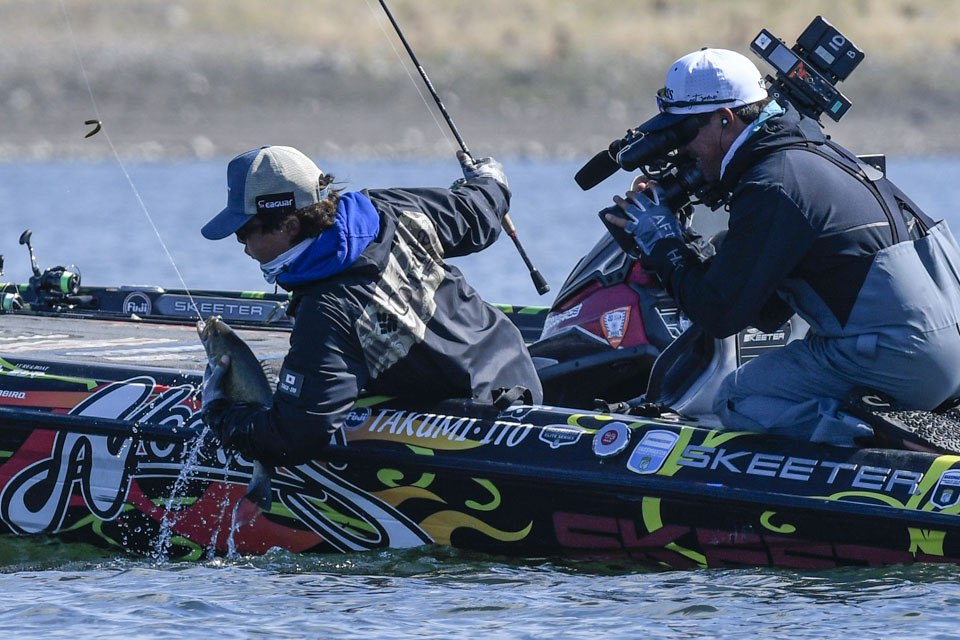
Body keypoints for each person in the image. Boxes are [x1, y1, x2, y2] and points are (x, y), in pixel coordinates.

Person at [606, 48, 960, 445]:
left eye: (684, 133)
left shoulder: (772, 183)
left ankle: (885, 441)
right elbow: (766, 312)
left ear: (725, 119)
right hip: (946, 353)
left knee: (741, 396)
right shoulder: (812, 154)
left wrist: (662, 242)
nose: (681, 149)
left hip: (906, 362)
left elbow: (719, 315)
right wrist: (684, 242)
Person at [200, 145, 543, 465]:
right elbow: (477, 213)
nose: (242, 246)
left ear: (289, 226)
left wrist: (219, 411)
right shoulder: (384, 207)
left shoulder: (327, 310)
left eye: (243, 233)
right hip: (519, 372)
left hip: (478, 429)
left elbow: (295, 436)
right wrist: (490, 180)